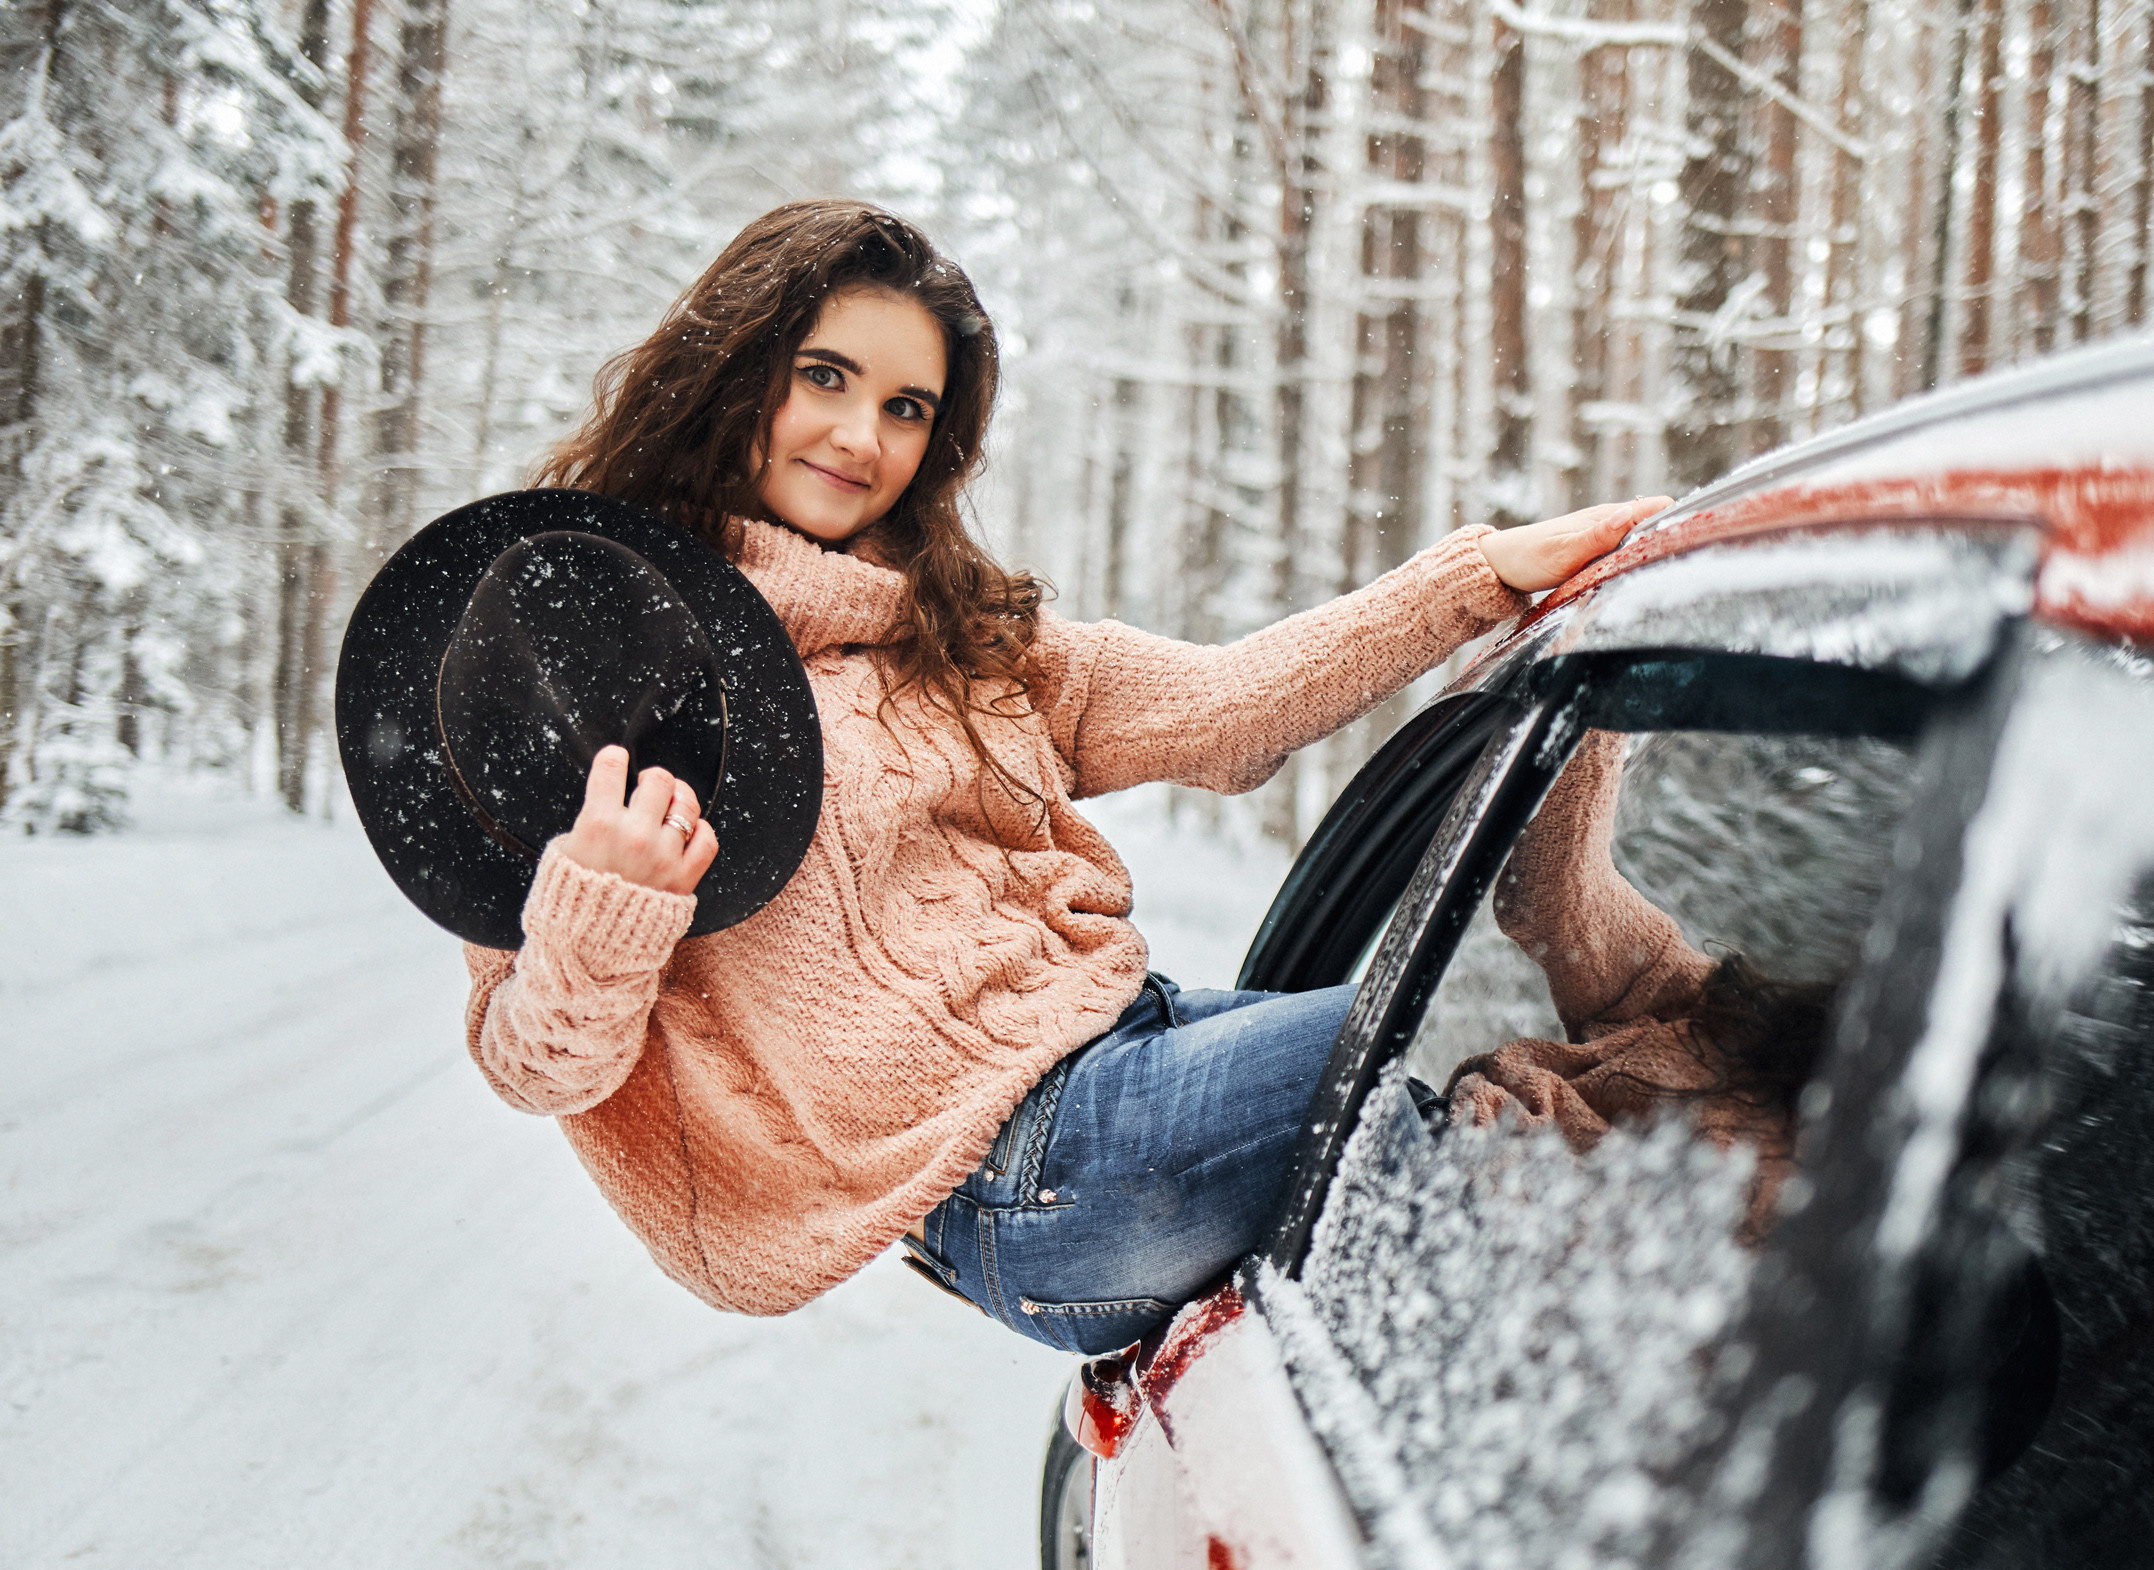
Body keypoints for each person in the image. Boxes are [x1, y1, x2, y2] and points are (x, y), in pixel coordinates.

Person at [460, 200, 1668, 1352]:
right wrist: (606, 899)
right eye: (824, 376)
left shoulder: (945, 630)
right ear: (735, 369)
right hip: (1023, 1180)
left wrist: (1479, 579)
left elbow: (1224, 709)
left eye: (907, 407)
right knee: (1364, 1054)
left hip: (1131, 1062)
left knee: (1563, 1113)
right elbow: (534, 1060)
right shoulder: (581, 653)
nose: (859, 436)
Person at [1442, 732, 1833, 1243]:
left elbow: (1570, 1260)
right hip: (1425, 1139)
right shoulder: (1764, 1037)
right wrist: (1598, 705)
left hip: (1439, 1227)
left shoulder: (1799, 1223)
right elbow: (1551, 902)